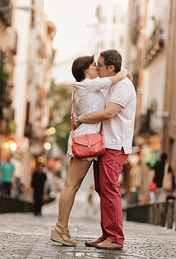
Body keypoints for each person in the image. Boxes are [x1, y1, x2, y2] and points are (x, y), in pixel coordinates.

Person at [51, 55, 130, 246]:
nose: (97, 68)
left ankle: (62, 228)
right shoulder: (86, 85)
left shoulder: (87, 87)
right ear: (85, 70)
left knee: (72, 185)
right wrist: (125, 72)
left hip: (85, 138)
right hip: (87, 140)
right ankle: (60, 228)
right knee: (72, 185)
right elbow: (114, 79)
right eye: (94, 65)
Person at [76, 49, 137, 250]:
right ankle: (106, 234)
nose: (97, 68)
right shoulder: (110, 84)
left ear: (111, 68)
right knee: (102, 189)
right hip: (104, 144)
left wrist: (82, 119)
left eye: (100, 65)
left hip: (115, 144)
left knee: (110, 189)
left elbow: (109, 113)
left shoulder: (123, 86)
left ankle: (116, 238)